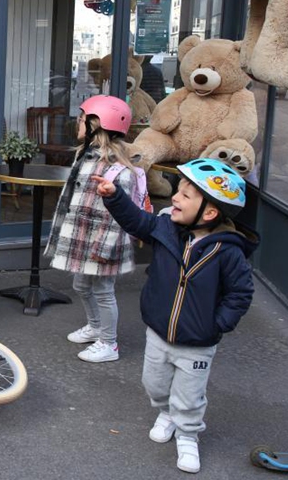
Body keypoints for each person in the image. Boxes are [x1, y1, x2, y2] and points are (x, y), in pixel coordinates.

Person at [94, 158, 259, 474]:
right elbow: (137, 221)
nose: (174, 199)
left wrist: (217, 325)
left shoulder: (228, 251)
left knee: (189, 395)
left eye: (185, 196)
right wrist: (114, 196)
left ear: (208, 213)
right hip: (158, 333)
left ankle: (187, 436)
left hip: (198, 343)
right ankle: (166, 412)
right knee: (154, 384)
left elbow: (240, 294)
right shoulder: (167, 228)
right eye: (177, 192)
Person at [44, 95, 137, 363]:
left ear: (98, 125)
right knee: (81, 284)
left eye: (82, 119)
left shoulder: (118, 170)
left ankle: (109, 344)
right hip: (84, 238)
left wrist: (102, 249)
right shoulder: (85, 157)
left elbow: (118, 217)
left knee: (103, 291)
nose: (78, 123)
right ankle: (96, 326)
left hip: (101, 243)